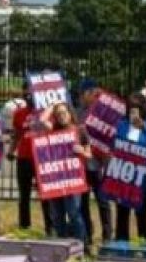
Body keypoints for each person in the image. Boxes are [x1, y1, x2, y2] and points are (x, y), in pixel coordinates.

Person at [110, 92, 146, 242]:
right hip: (124, 172)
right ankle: (121, 244)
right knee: (122, 211)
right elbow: (116, 145)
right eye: (131, 108)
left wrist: (144, 128)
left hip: (145, 174)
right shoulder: (122, 124)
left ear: (143, 108)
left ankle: (145, 243)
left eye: (137, 108)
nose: (133, 111)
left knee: (142, 211)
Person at [7, 80, 50, 233]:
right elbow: (17, 134)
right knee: (23, 194)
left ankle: (49, 226)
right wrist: (12, 150)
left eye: (31, 91)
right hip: (23, 157)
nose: (29, 95)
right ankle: (24, 225)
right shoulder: (19, 114)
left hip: (42, 158)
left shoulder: (46, 112)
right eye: (26, 91)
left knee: (45, 194)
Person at [75, 79, 114, 248]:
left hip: (99, 165)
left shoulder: (103, 113)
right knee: (83, 204)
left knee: (103, 202)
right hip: (83, 165)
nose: (93, 96)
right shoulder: (77, 113)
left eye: (95, 93)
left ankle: (107, 237)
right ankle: (87, 236)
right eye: (90, 93)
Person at [44, 101, 88, 242]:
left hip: (73, 179)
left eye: (64, 113)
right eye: (58, 114)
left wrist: (81, 151)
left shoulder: (79, 130)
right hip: (56, 179)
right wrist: (53, 106)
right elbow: (42, 120)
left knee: (74, 212)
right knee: (57, 214)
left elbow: (89, 154)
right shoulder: (53, 131)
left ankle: (81, 245)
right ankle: (61, 244)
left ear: (70, 114)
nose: (61, 116)